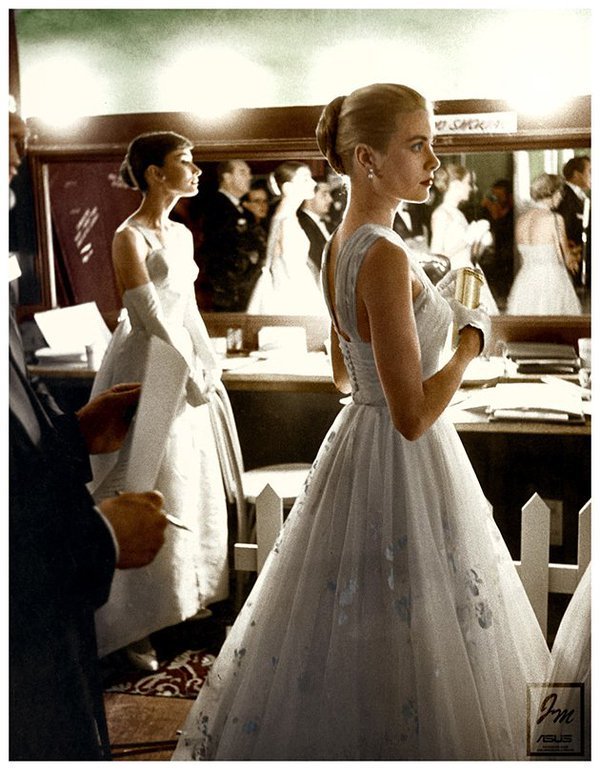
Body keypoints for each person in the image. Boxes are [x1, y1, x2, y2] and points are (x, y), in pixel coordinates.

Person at [173, 83, 551, 761]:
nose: (434, 160)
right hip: (406, 455)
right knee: (417, 625)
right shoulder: (385, 254)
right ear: (367, 159)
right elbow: (412, 416)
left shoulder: (341, 246)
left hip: (356, 443)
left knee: (358, 623)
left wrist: (420, 302)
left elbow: (345, 379)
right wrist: (469, 338)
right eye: (418, 145)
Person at [9, 109, 168, 760]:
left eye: (17, 135)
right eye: (5, 134)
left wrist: (74, 435)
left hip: (51, 637)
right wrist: (99, 539)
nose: (18, 149)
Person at [89, 131, 229, 671]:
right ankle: (126, 625)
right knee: (142, 476)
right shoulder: (129, 236)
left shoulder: (181, 234)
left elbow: (186, 308)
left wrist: (207, 361)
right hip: (145, 363)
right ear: (154, 172)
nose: (196, 171)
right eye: (185, 162)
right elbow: (148, 315)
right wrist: (182, 368)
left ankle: (178, 601)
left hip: (181, 358)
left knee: (182, 479)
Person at [246, 161, 327, 315]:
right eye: (305, 179)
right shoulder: (286, 220)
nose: (313, 183)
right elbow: (292, 270)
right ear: (288, 188)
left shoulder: (285, 215)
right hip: (291, 296)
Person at [506, 173, 581, 315]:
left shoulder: (521, 220)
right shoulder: (554, 218)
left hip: (526, 280)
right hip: (551, 280)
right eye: (560, 192)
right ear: (553, 193)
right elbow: (565, 258)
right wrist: (577, 252)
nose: (561, 197)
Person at [430, 162, 499, 313]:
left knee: (477, 319)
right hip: (455, 277)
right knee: (467, 319)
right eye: (468, 183)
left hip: (469, 273)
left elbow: (470, 256)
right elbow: (436, 258)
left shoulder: (458, 213)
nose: (472, 188)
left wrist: (480, 241)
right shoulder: (441, 214)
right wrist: (467, 238)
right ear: (456, 185)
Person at [200, 159, 262, 310]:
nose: (249, 177)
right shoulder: (214, 206)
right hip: (225, 289)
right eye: (242, 172)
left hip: (242, 286)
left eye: (249, 173)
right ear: (227, 177)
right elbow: (218, 246)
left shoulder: (243, 210)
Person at [555, 155, 591, 293]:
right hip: (573, 262)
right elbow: (563, 229)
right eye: (590, 171)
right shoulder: (565, 196)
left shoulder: (581, 196)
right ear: (577, 174)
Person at [478, 178, 515, 308]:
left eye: (500, 195)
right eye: (494, 195)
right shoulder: (490, 209)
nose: (497, 198)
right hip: (495, 253)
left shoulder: (514, 212)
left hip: (509, 254)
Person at [297, 179, 334, 271]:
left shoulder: (328, 223)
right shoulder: (301, 224)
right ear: (309, 197)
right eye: (324, 194)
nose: (330, 199)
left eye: (330, 194)